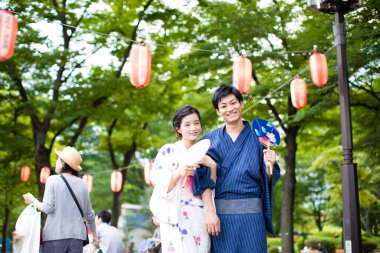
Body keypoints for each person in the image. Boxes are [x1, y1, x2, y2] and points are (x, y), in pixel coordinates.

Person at [193, 85, 281, 253]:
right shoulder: (208, 141)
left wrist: (269, 166)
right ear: (218, 111)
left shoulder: (259, 138)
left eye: (233, 103)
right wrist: (210, 213)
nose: (229, 109)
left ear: (241, 103)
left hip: (252, 216)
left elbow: (268, 178)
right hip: (220, 218)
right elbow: (203, 180)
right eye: (223, 106)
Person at [149, 105, 216, 253]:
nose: (193, 128)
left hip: (199, 212)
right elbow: (159, 183)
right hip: (176, 212)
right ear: (178, 129)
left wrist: (213, 167)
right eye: (187, 124)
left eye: (196, 123)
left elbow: (211, 186)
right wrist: (179, 172)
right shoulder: (168, 151)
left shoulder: (206, 152)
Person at [23, 146, 99, 253]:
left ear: (63, 163)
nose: (56, 162)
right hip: (76, 239)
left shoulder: (52, 180)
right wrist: (95, 237)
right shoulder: (82, 183)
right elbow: (89, 214)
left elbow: (47, 208)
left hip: (55, 236)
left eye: (58, 159)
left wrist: (32, 200)